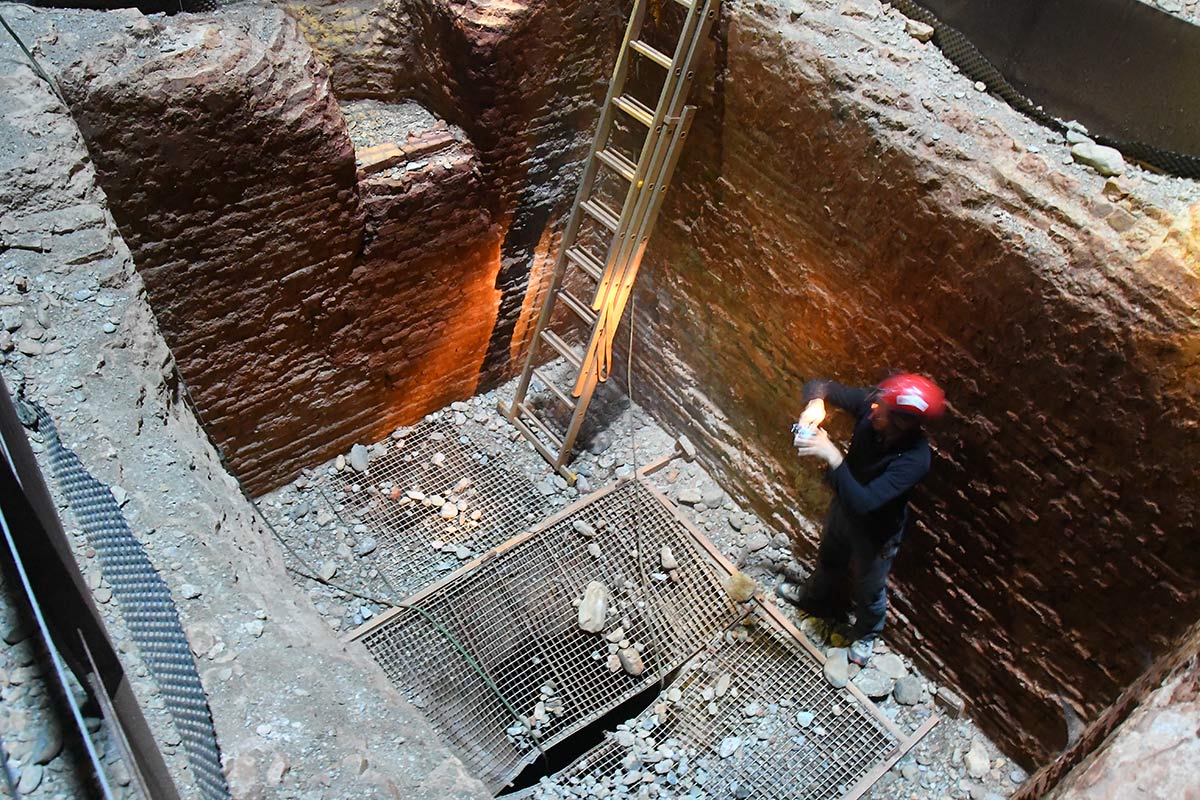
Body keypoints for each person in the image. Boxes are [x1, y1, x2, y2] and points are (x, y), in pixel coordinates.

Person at [778, 373, 945, 666]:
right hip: (843, 509)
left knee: (869, 588)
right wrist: (815, 402)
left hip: (876, 532)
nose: (872, 409)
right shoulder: (874, 406)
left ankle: (867, 633)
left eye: (882, 409)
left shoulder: (914, 460)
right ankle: (814, 598)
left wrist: (832, 456)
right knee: (829, 557)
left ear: (903, 424)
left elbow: (865, 503)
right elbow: (821, 385)